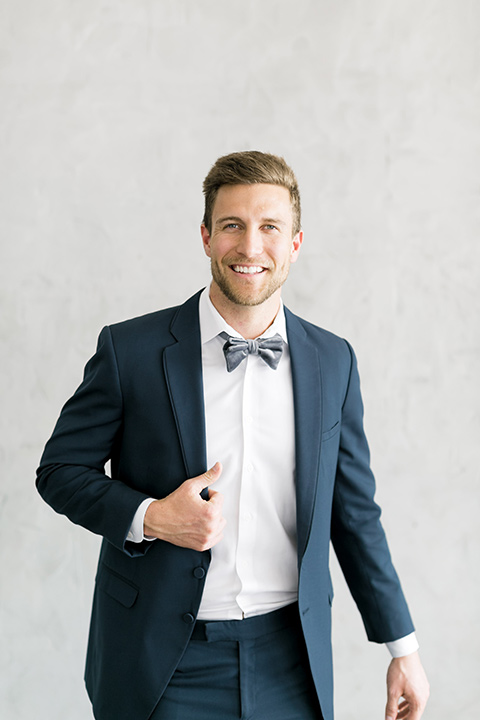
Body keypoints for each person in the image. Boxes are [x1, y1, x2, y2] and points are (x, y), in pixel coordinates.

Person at [36, 151, 429, 720]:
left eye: (269, 227)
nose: (250, 248)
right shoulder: (132, 352)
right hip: (162, 665)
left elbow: (355, 513)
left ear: (295, 243)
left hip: (291, 662)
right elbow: (59, 472)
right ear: (205, 236)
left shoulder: (332, 360)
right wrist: (151, 516)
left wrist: (403, 648)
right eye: (232, 226)